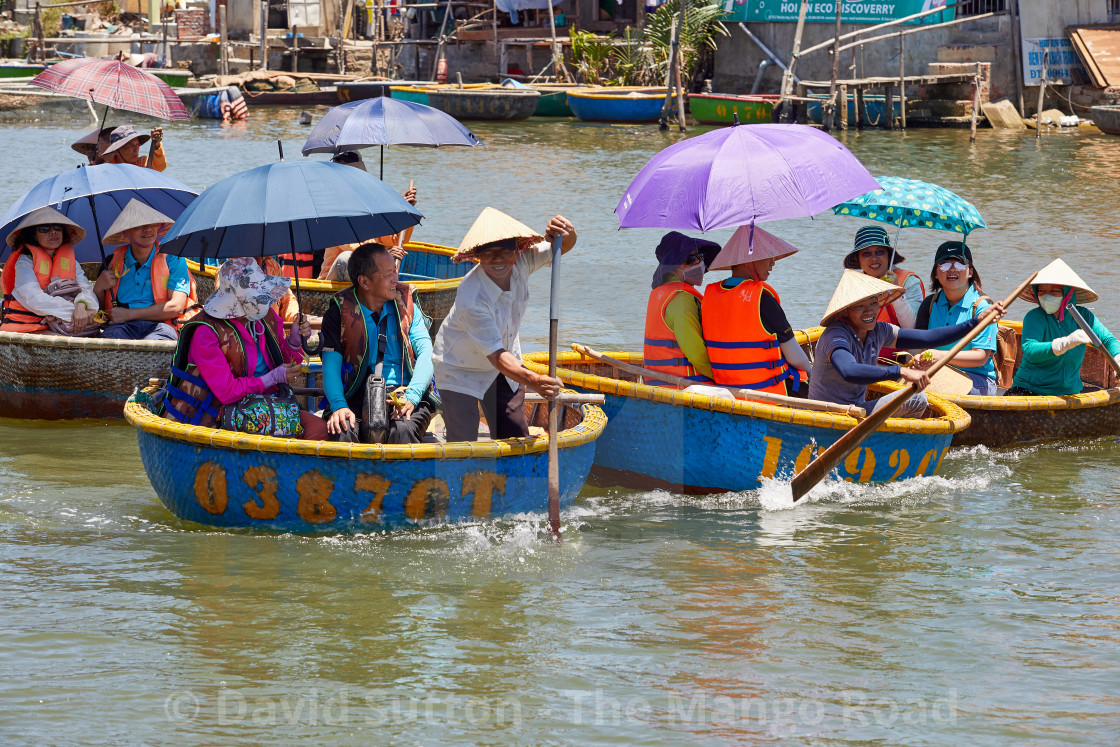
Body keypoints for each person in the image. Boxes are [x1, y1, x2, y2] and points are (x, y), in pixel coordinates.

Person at [432, 208, 575, 442]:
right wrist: (535, 380)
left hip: (507, 362)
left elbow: (563, 247)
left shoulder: (523, 261)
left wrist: (567, 232)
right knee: (463, 443)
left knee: (516, 436)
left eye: (504, 252)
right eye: (488, 253)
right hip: (459, 367)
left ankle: (510, 478)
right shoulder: (473, 297)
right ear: (477, 256)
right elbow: (497, 356)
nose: (497, 259)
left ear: (517, 251)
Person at [161, 257, 328, 440]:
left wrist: (294, 342)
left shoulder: (265, 315)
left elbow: (284, 363)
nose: (263, 301)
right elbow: (226, 392)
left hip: (270, 404)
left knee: (319, 429)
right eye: (256, 297)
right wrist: (271, 378)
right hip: (218, 414)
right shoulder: (205, 332)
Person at [810, 270, 1005, 418]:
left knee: (918, 399)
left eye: (873, 303)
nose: (869, 311)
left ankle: (892, 442)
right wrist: (900, 371)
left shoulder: (879, 330)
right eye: (860, 306)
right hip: (828, 415)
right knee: (915, 397)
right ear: (845, 312)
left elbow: (929, 338)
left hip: (858, 411)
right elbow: (848, 370)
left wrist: (977, 321)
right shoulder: (836, 335)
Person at [320, 242, 438, 443]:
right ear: (364, 282)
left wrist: (413, 396)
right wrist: (339, 406)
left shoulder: (406, 303)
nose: (395, 279)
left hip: (404, 391)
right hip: (356, 394)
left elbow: (427, 353)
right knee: (343, 432)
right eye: (387, 275)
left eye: (395, 271)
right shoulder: (337, 312)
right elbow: (330, 366)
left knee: (402, 432)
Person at [701, 225, 811, 396]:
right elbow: (797, 359)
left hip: (728, 390)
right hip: (768, 392)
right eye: (767, 257)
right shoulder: (762, 297)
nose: (773, 262)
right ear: (747, 260)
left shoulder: (709, 295)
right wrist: (812, 373)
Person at [1006, 258, 1120, 396]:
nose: (1047, 295)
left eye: (1054, 290)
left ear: (1068, 293)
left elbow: (1107, 340)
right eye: (1041, 290)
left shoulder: (1083, 316)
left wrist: (1117, 357)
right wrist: (1064, 343)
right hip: (1030, 390)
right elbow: (1030, 350)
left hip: (1069, 393)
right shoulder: (1034, 317)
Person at [93, 199, 199, 340]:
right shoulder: (112, 262)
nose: (148, 230)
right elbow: (102, 312)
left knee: (157, 346)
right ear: (126, 232)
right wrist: (98, 289)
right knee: (108, 341)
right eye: (139, 226)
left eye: (152, 224)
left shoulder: (173, 259)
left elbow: (176, 307)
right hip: (121, 327)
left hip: (163, 325)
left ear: (158, 227)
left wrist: (129, 314)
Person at [315, 152, 419, 282]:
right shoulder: (333, 208)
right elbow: (358, 249)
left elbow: (394, 239)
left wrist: (406, 210)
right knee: (347, 258)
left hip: (367, 278)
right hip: (335, 280)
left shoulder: (371, 206)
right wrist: (385, 255)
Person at [914, 241, 999, 396]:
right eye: (945, 265)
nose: (952, 269)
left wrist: (940, 356)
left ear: (970, 272)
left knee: (934, 390)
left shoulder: (982, 307)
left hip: (978, 379)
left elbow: (980, 357)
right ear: (936, 273)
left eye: (959, 265)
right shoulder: (929, 304)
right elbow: (919, 346)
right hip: (939, 373)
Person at [0, 207, 98, 334]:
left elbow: (87, 290)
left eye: (57, 227)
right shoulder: (24, 262)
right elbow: (35, 299)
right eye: (44, 228)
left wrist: (82, 305)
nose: (53, 232)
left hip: (61, 325)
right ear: (33, 235)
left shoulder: (73, 263)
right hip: (28, 327)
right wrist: (77, 312)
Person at [642, 230, 721, 388]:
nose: (698, 262)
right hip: (685, 386)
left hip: (660, 384)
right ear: (672, 267)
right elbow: (697, 355)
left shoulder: (659, 293)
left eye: (700, 257)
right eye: (690, 259)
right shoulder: (682, 299)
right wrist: (722, 377)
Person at [844, 224, 925, 356]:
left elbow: (911, 328)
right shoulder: (852, 284)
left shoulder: (909, 281)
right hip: (860, 356)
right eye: (866, 253)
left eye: (879, 252)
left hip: (898, 360)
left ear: (888, 255)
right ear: (858, 259)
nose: (874, 258)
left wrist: (896, 293)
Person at [99, 125, 167, 171]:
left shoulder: (142, 163)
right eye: (130, 146)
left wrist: (157, 144)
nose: (136, 149)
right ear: (117, 150)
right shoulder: (109, 170)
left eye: (137, 144)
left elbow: (160, 166)